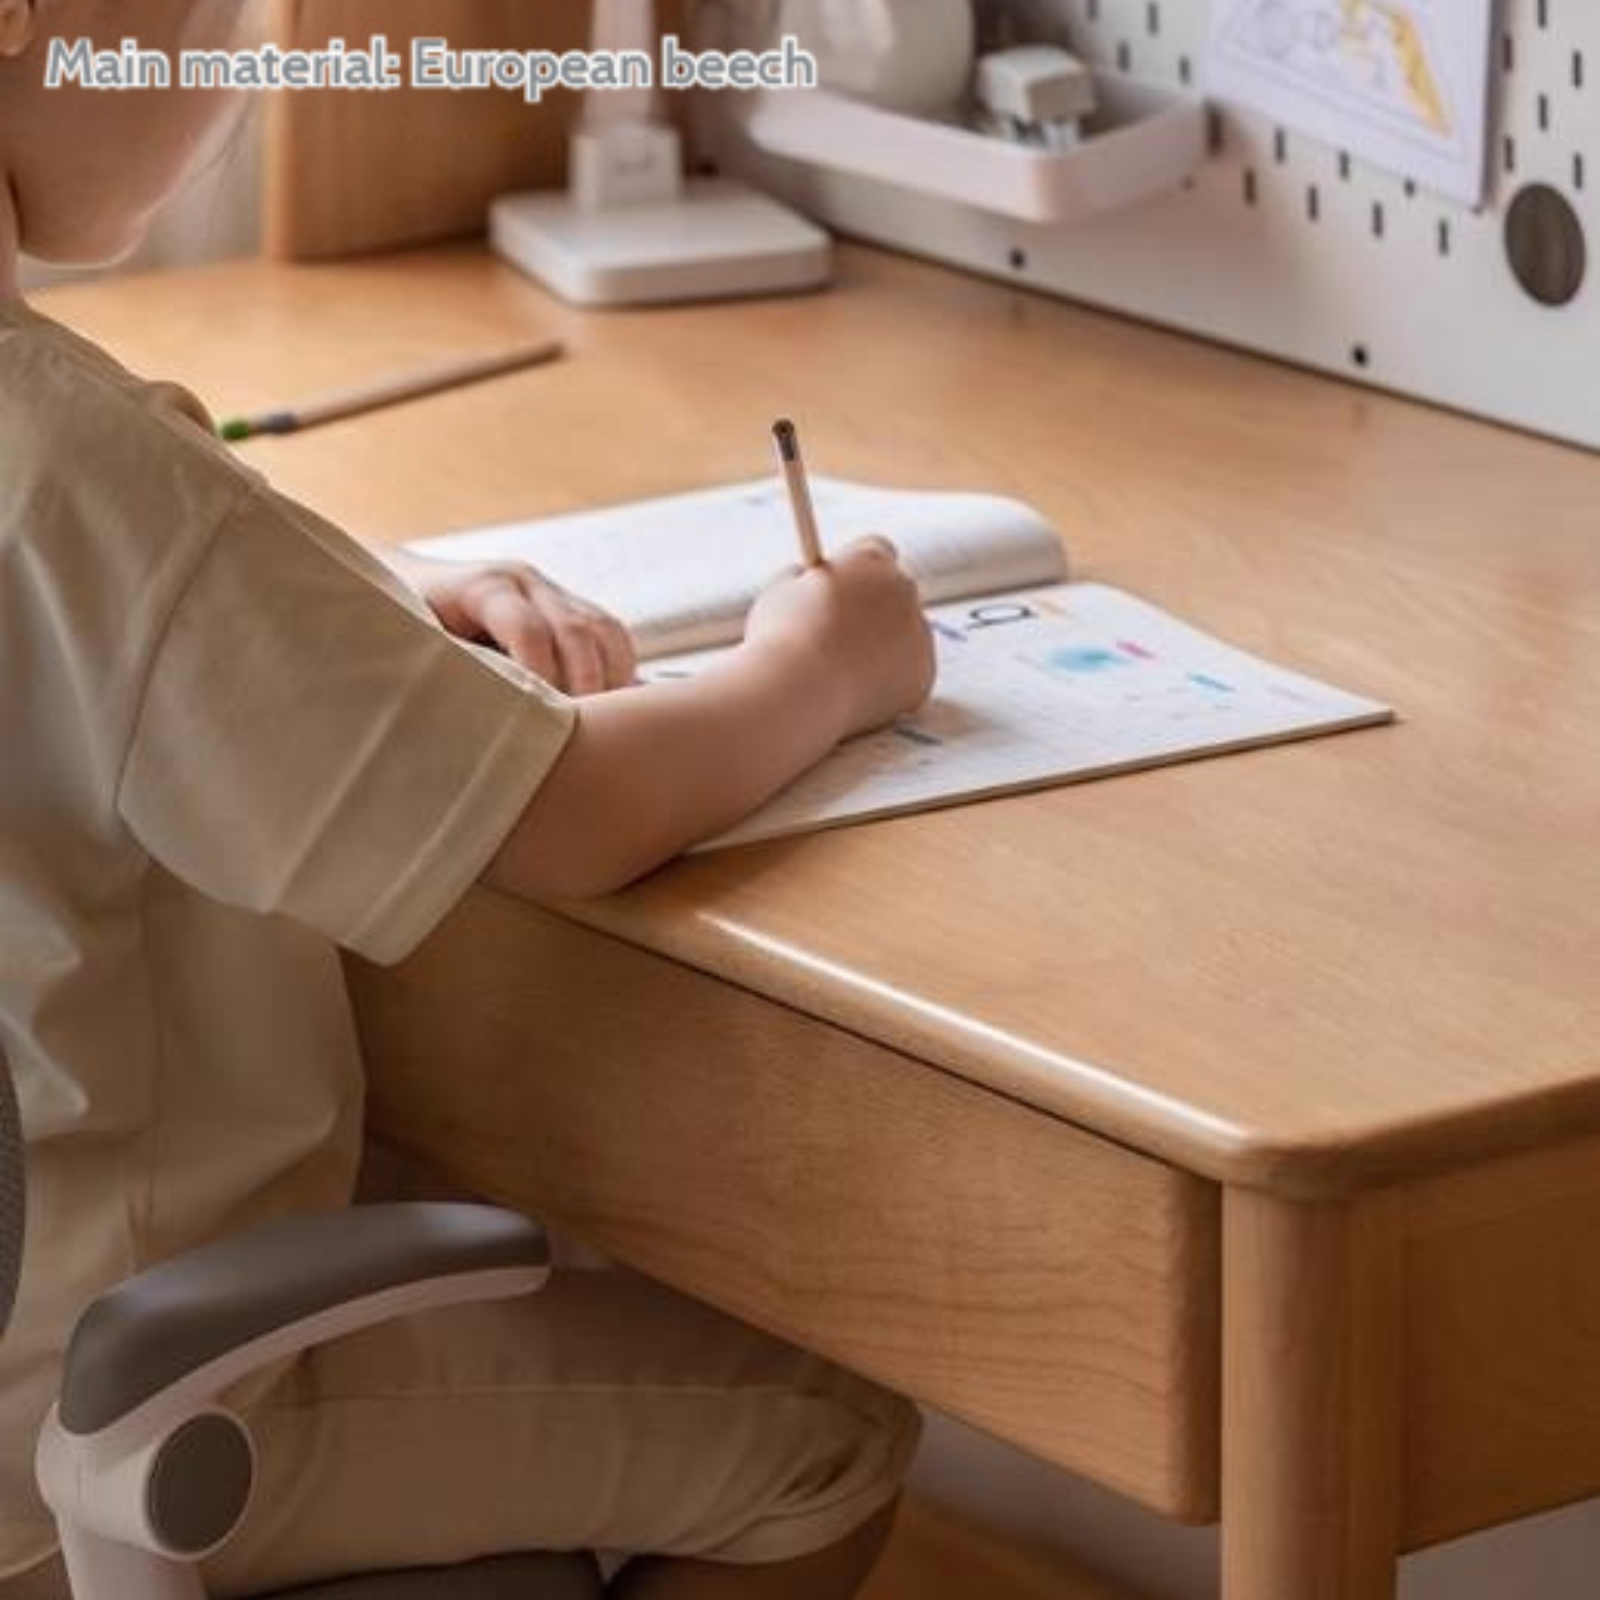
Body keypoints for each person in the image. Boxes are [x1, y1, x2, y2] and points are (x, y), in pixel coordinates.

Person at [0, 2, 935, 1596]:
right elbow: (570, 815)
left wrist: (374, 585)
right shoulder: (73, 456)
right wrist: (820, 667)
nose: (239, 76)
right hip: (102, 1417)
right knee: (819, 1438)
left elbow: (148, 598)